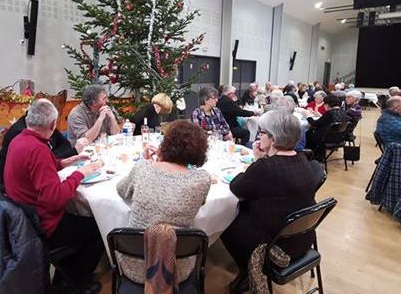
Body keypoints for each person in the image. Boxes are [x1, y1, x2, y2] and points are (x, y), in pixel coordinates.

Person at [4, 99, 104, 294]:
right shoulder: (38, 149)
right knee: (96, 228)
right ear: (52, 125)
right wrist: (81, 173)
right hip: (41, 224)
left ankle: (65, 273)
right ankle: (72, 284)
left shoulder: (20, 139)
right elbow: (56, 199)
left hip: (24, 219)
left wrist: (65, 162)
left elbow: (35, 169)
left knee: (81, 220)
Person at [221, 110, 324, 282]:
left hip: (277, 248)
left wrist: (258, 160)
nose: (258, 136)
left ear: (274, 138)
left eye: (262, 132)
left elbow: (236, 187)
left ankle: (248, 270)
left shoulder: (266, 168)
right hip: (303, 238)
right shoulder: (303, 159)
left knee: (227, 217)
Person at [116, 120, 211, 283]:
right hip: (176, 269)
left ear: (165, 144)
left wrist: (146, 162)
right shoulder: (202, 179)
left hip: (135, 265)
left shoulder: (143, 168)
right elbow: (200, 203)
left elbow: (121, 190)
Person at [0, 110, 83, 184]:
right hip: (24, 200)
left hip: (18, 192)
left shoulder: (20, 138)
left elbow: (65, 144)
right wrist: (80, 174)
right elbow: (54, 196)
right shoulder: (35, 146)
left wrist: (59, 163)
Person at [305, 95, 348, 159]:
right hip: (339, 138)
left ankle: (310, 154)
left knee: (307, 132)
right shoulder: (343, 112)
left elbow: (314, 123)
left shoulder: (329, 113)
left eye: (324, 104)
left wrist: (308, 116)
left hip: (326, 138)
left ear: (327, 104)